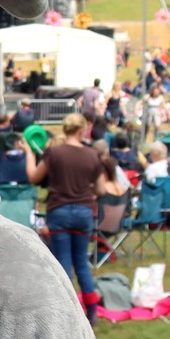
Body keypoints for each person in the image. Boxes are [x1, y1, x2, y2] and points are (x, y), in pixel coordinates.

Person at [22, 110, 104, 319]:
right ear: (81, 130)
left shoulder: (54, 153)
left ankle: (69, 313)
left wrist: (29, 154)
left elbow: (34, 177)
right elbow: (101, 189)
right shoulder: (92, 155)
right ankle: (92, 311)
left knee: (64, 262)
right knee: (82, 263)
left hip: (59, 211)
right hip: (84, 211)